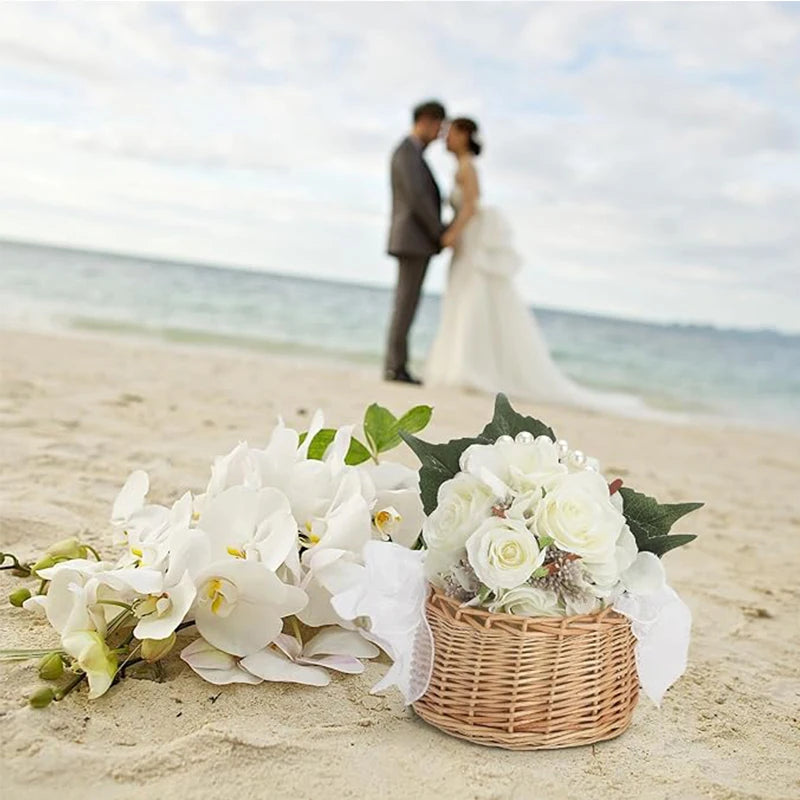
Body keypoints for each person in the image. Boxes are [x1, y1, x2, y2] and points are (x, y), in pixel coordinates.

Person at [426, 117, 642, 412]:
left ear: (464, 135)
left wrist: (451, 233)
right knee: (464, 303)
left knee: (472, 302)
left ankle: (469, 368)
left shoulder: (468, 169)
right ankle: (460, 366)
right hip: (466, 246)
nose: (445, 138)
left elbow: (471, 207)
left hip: (471, 246)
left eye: (450, 133)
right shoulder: (461, 168)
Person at [384, 100, 448, 385]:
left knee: (406, 303)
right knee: (405, 303)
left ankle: (396, 365)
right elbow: (417, 199)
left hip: (414, 239)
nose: (439, 134)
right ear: (425, 120)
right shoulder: (407, 152)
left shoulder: (413, 153)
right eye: (438, 126)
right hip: (413, 239)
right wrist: (440, 232)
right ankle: (395, 367)